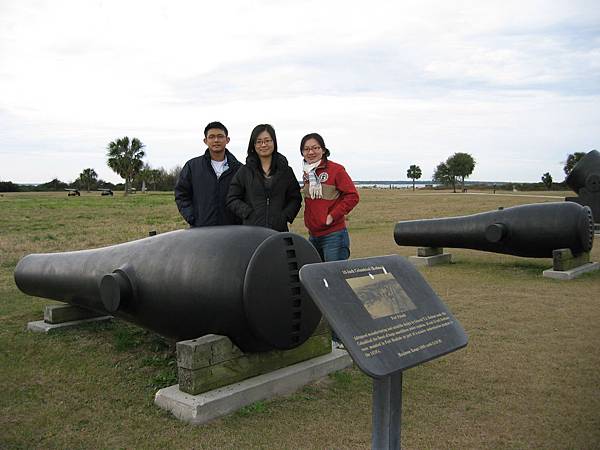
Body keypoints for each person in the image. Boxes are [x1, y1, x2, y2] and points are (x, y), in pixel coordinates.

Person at [226, 124, 301, 231]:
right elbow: (232, 198)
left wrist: (285, 216)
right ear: (253, 145)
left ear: (274, 142)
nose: (263, 145)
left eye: (267, 140)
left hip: (278, 230)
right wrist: (248, 213)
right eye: (259, 141)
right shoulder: (245, 171)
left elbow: (295, 198)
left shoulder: (285, 171)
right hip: (252, 231)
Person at [300, 133, 359, 262]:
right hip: (313, 235)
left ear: (323, 150)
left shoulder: (336, 170)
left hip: (334, 235)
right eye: (306, 149)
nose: (311, 152)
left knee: (335, 278)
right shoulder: (307, 173)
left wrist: (332, 216)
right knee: (318, 278)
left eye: (315, 148)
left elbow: (352, 196)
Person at [175, 121, 242, 227]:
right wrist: (192, 218)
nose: (216, 140)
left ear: (227, 140)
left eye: (220, 136)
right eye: (211, 137)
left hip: (232, 232)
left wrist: (239, 219)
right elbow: (181, 195)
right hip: (201, 231)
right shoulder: (192, 166)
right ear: (205, 141)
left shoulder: (239, 169)